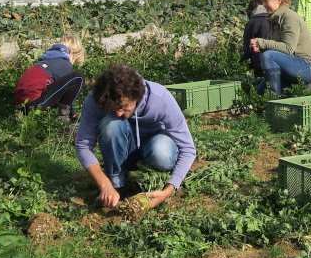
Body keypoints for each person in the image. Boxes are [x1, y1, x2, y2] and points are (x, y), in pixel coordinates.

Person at [74, 64, 196, 210]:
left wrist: (169, 190)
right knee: (111, 123)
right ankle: (117, 184)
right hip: (125, 148)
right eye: (113, 108)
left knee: (161, 152)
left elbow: (188, 148)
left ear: (135, 96)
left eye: (123, 107)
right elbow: (82, 145)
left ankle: (152, 181)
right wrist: (104, 184)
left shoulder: (159, 98)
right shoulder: (97, 98)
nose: (119, 113)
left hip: (153, 146)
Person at [248, 0, 311, 96]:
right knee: (259, 92)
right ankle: (302, 87)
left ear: (279, 0)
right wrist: (260, 47)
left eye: (266, 1)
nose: (263, 4)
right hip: (293, 65)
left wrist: (262, 43)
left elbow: (288, 48)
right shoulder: (274, 19)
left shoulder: (289, 17)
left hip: (308, 67)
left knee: (268, 55)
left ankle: (274, 97)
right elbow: (278, 49)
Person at [14, 35, 87, 120]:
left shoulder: (47, 59)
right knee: (78, 78)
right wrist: (72, 113)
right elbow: (66, 92)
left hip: (20, 106)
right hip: (35, 104)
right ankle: (63, 118)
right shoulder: (64, 63)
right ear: (73, 53)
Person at [240, 0, 272, 77]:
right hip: (275, 59)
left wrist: (241, 61)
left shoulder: (252, 22)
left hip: (259, 61)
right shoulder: (273, 19)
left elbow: (247, 46)